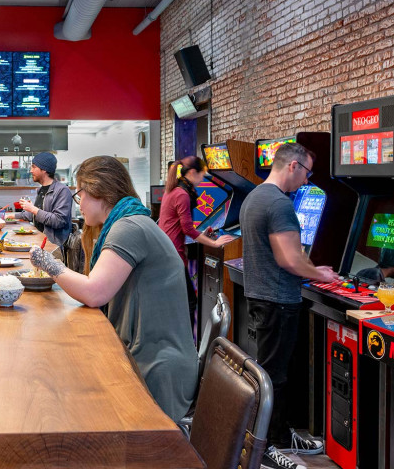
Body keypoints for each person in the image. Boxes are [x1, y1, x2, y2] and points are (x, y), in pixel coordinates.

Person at [29, 156, 198, 422]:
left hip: (156, 371)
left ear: (100, 191)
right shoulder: (128, 220)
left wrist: (48, 264)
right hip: (147, 358)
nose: (79, 204)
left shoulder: (128, 227)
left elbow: (95, 292)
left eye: (80, 194)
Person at [239, 142, 340, 469]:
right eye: (307, 174)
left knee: (275, 373)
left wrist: (311, 269)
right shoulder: (280, 204)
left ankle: (282, 435)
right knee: (274, 378)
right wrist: (321, 274)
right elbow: (289, 259)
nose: (307, 182)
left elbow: (289, 253)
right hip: (279, 299)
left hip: (262, 296)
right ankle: (265, 446)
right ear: (294, 166)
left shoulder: (255, 196)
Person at [158, 156, 236, 328]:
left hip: (167, 253)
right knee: (188, 303)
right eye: (202, 174)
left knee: (180, 303)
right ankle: (183, 348)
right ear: (193, 172)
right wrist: (215, 243)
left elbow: (180, 226)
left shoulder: (174, 190)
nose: (202, 179)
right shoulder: (182, 194)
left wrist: (204, 234)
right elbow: (187, 229)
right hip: (173, 257)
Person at [19, 152, 72, 247]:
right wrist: (8, 217)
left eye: (34, 167)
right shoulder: (41, 190)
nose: (31, 171)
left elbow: (59, 221)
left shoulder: (62, 190)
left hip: (53, 246)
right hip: (38, 241)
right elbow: (33, 216)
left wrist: (33, 209)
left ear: (44, 169)